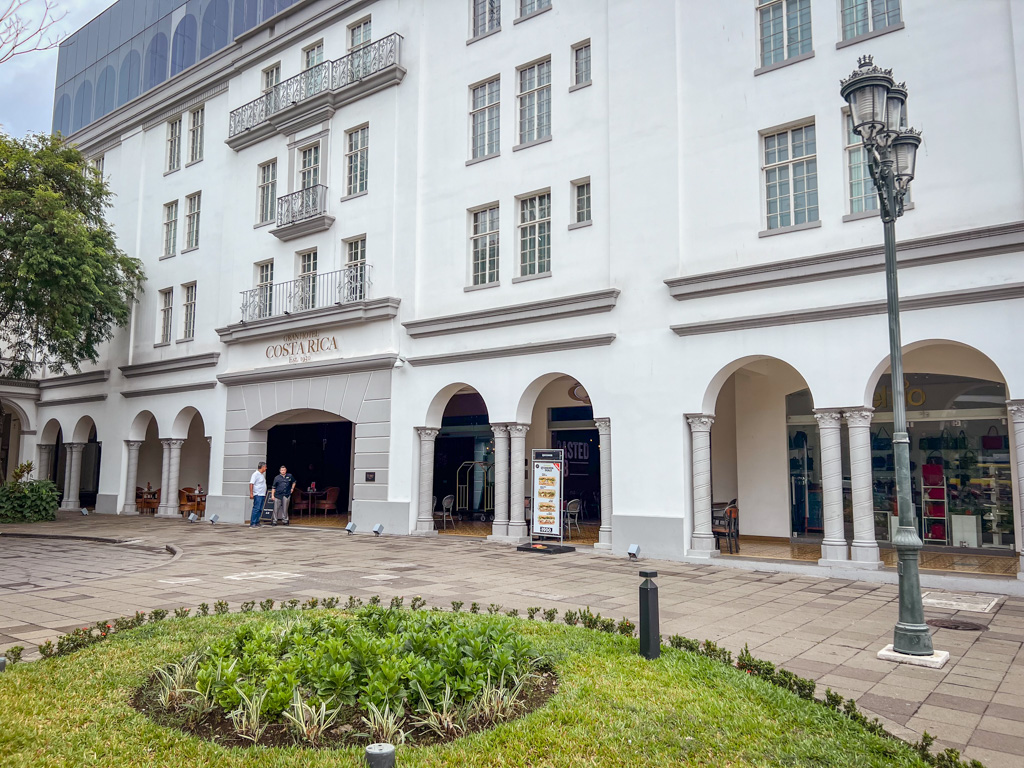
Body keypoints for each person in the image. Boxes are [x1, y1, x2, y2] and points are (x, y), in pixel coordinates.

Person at [249, 461, 267, 528]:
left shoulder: (261, 475)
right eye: (265, 467)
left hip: (262, 494)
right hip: (258, 494)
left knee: (260, 509)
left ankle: (257, 522)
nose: (266, 468)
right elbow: (251, 483)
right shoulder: (255, 474)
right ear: (262, 467)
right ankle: (253, 523)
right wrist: (251, 493)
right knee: (256, 508)